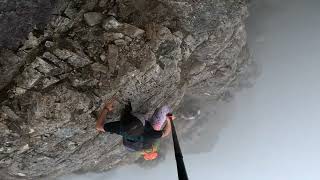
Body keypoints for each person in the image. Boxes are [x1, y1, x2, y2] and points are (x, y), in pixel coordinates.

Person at [96, 98, 175, 160]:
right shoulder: (148, 135)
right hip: (135, 143)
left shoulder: (121, 128)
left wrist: (106, 109)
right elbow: (165, 133)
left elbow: (98, 126)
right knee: (165, 110)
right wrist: (169, 120)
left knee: (134, 147)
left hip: (134, 143)